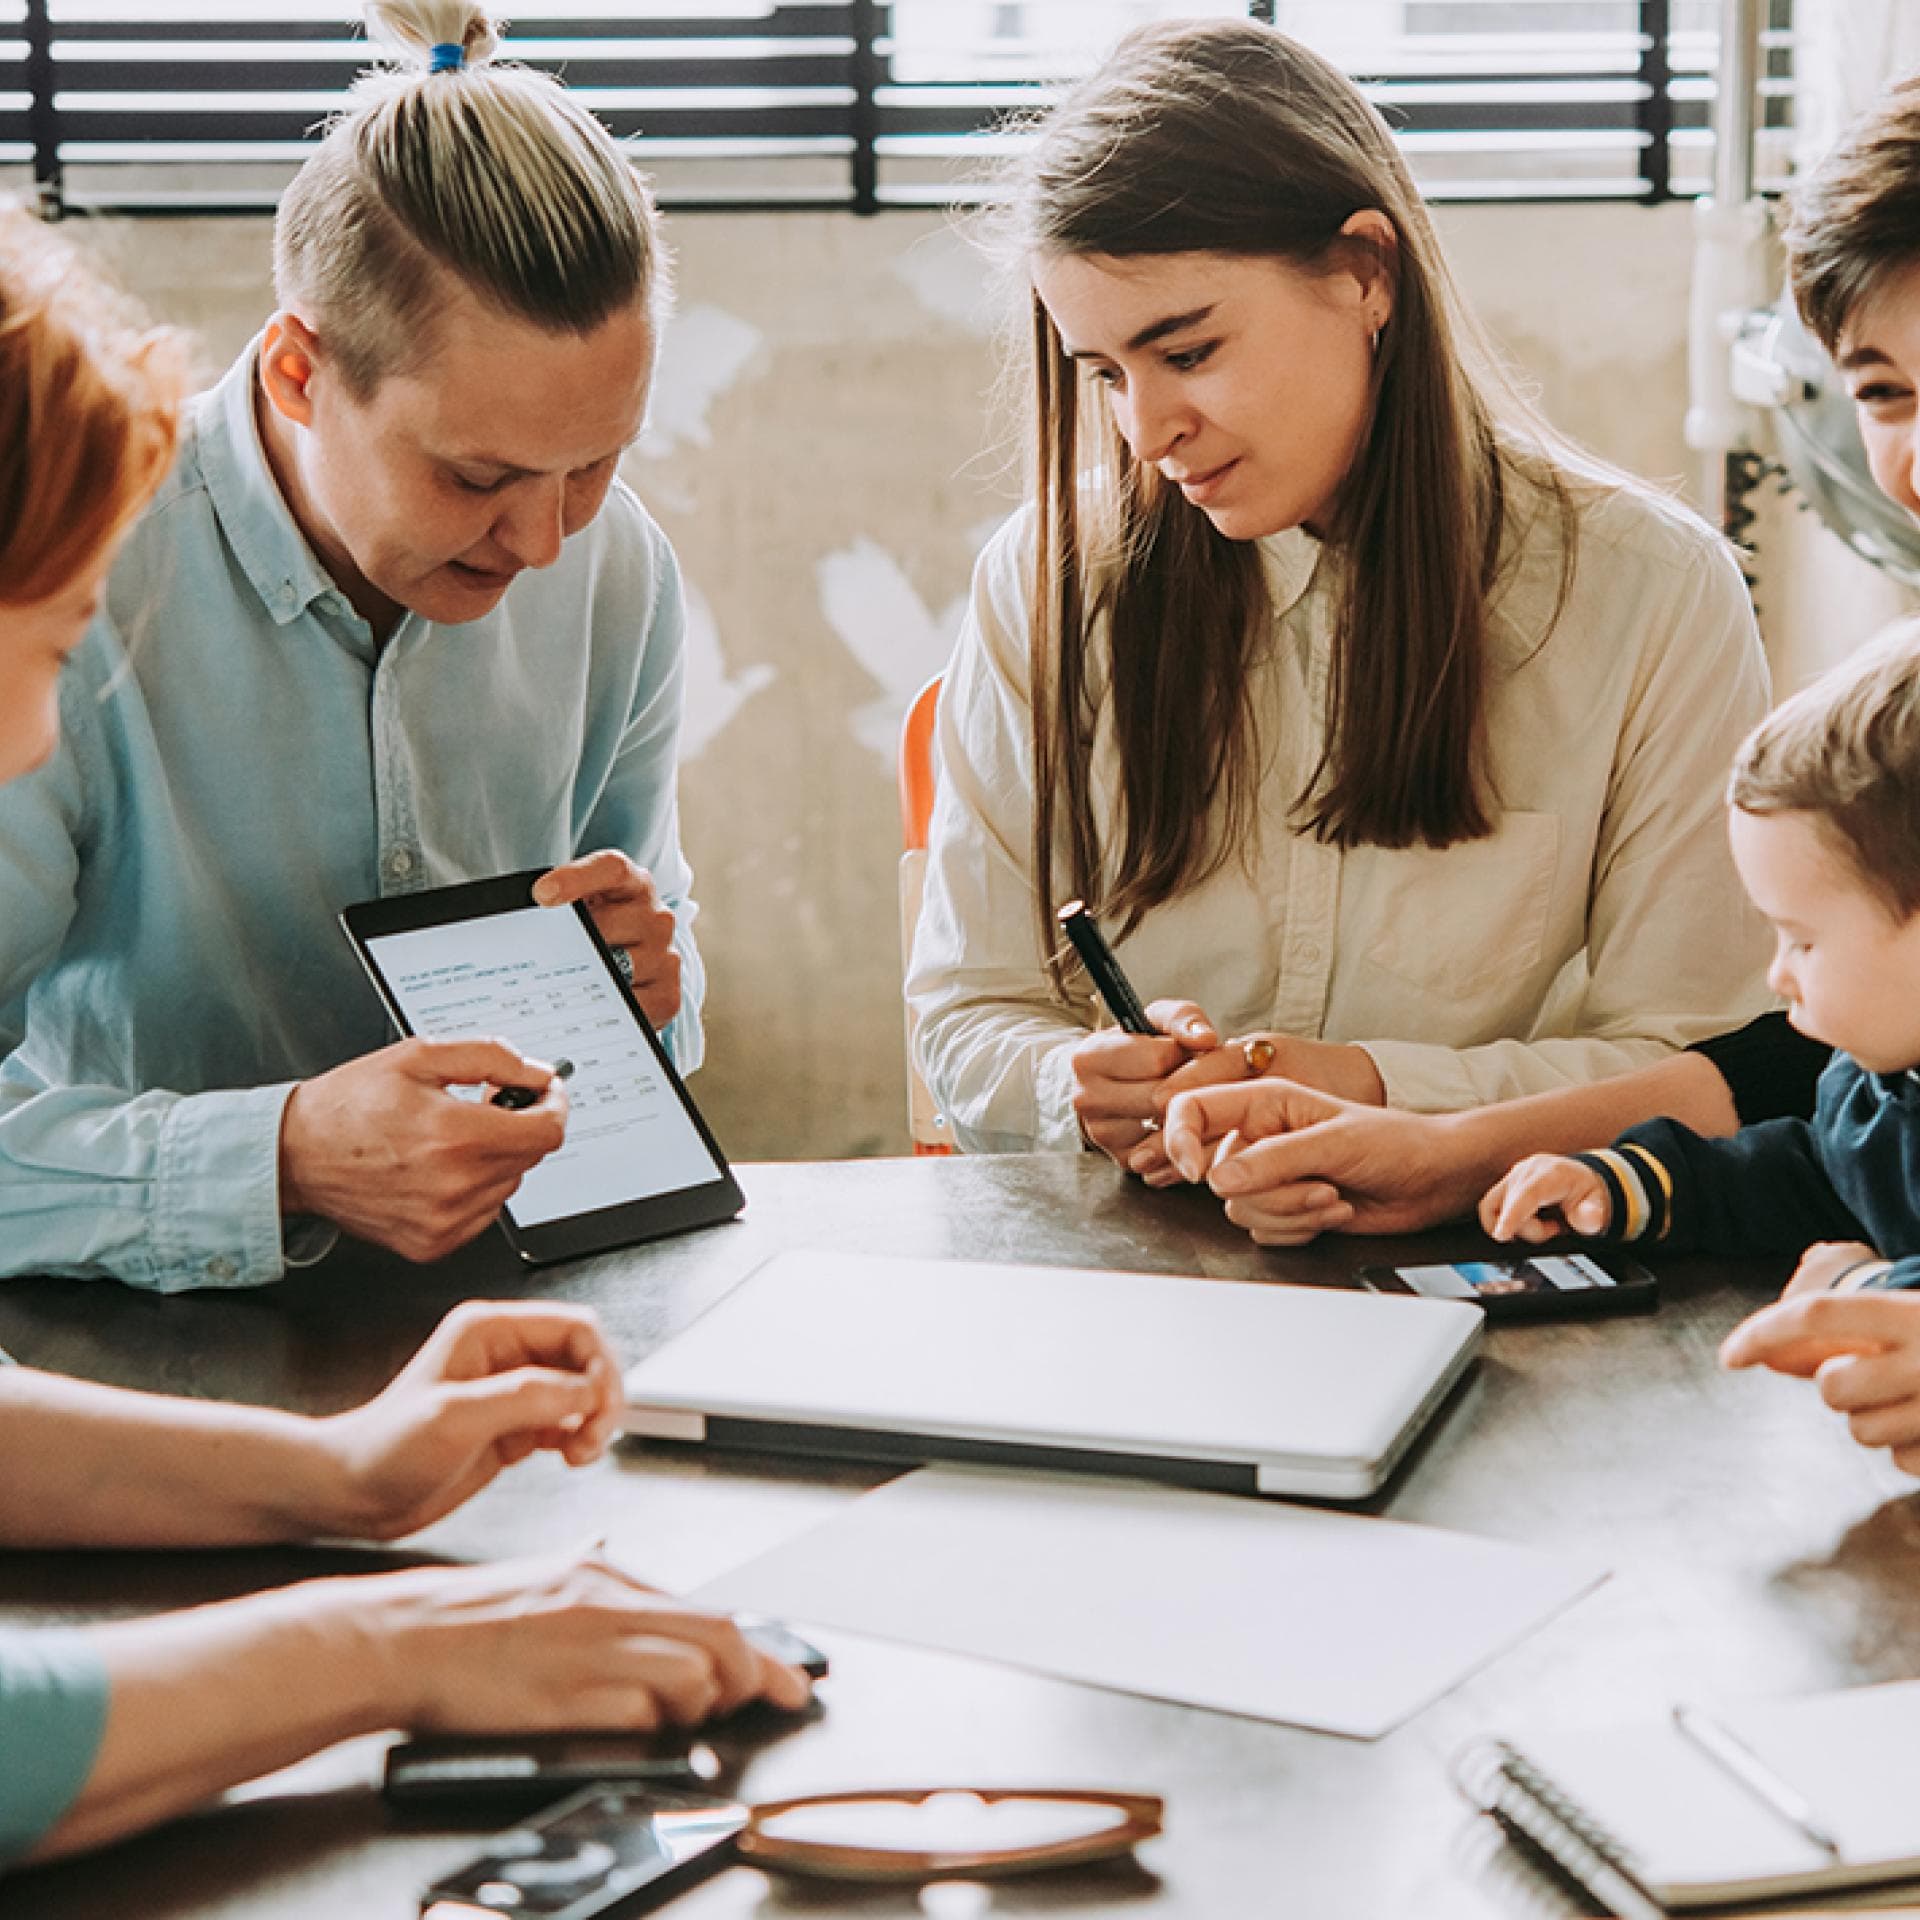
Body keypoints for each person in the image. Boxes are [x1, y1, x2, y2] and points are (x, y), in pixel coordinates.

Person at [0, 207, 807, 1871]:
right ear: (301, 375)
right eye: (49, 651)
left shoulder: (613, 578)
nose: (32, 735)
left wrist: (343, 1479)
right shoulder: (133, 568)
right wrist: (398, 1652)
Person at [905, 17, 1774, 1167]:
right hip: (1132, 1272)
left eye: (1191, 352)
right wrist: (1074, 1085)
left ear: (1367, 273)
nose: (1148, 429)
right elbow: (966, 1015)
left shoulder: (1654, 597)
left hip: (1483, 1252)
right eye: (1107, 375)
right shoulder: (1048, 580)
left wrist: (1368, 1091)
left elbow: (1701, 1062)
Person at [0, 0, 705, 1291]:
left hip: (514, 1308)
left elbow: (653, 1034)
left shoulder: (620, 572)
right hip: (129, 1355)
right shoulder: (66, 580)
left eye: (596, 463)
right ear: (297, 376)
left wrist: (644, 997)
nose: (545, 542)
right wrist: (280, 1156)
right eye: (477, 475)